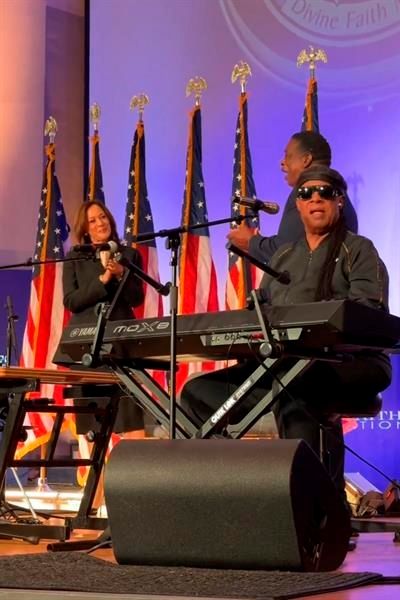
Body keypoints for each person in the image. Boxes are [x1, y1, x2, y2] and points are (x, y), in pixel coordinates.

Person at [181, 165, 392, 501]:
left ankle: (318, 514)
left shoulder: (359, 249)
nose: (316, 198)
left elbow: (368, 315)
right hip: (283, 366)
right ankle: (223, 497)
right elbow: (260, 315)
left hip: (352, 363)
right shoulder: (284, 256)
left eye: (326, 192)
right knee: (197, 392)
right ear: (298, 205)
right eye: (306, 193)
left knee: (300, 391)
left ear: (339, 201)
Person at [61, 200, 145, 434]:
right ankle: (94, 471)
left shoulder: (129, 255)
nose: (100, 223)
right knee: (92, 428)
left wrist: (120, 275)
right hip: (87, 346)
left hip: (121, 345)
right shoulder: (75, 258)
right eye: (93, 220)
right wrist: (103, 280)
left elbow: (137, 298)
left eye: (103, 217)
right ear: (85, 229)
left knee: (130, 421)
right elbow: (71, 301)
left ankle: (134, 470)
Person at [228, 131, 358, 263]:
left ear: (306, 159)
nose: (282, 162)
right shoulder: (339, 192)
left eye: (288, 156)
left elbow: (287, 251)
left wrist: (251, 241)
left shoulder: (305, 194)